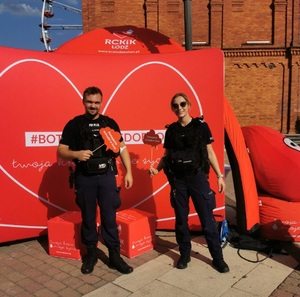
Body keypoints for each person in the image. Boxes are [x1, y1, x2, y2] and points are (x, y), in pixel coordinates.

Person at [149, 92, 229, 273]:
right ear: (173, 109)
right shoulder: (171, 130)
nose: (180, 108)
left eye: (182, 104)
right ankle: (184, 254)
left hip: (198, 177)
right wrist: (157, 169)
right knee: (181, 221)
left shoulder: (201, 127)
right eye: (175, 105)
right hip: (179, 180)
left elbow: (209, 153)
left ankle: (218, 258)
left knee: (207, 219)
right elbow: (167, 155)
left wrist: (219, 175)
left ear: (189, 105)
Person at [57, 86, 133, 275]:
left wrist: (129, 172)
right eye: (89, 102)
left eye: (96, 102)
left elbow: (122, 148)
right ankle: (91, 253)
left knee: (109, 216)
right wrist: (76, 153)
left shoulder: (110, 123)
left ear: (101, 102)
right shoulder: (74, 124)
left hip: (107, 176)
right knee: (88, 217)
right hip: (84, 178)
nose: (93, 106)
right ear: (83, 102)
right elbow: (61, 150)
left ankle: (114, 255)